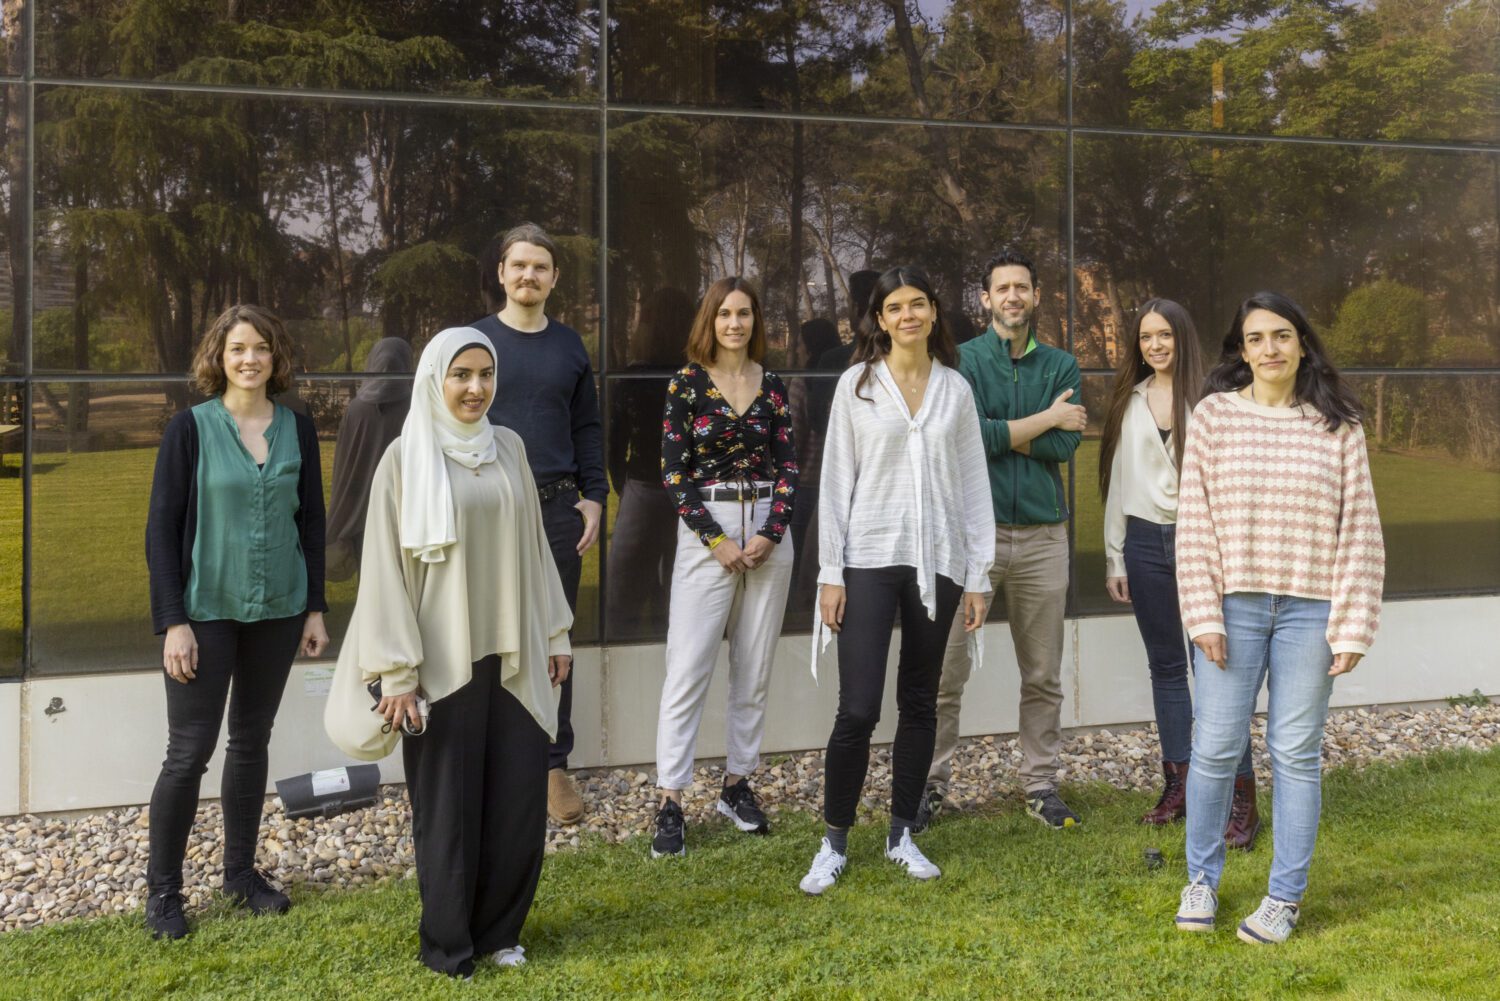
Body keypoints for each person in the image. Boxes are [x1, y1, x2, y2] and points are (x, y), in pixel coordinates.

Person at [328, 328, 574, 978]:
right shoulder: (404, 460)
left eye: (485, 375)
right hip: (440, 668)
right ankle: (448, 944)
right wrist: (398, 673)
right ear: (435, 378)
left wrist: (554, 632)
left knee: (517, 802)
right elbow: (384, 574)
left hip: (515, 654)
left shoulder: (511, 448)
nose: (474, 388)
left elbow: (535, 549)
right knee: (448, 812)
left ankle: (501, 931)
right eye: (460, 374)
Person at [1172, 292, 1383, 945]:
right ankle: (1201, 879)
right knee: (1213, 746)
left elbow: (1361, 529)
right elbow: (1194, 524)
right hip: (1231, 606)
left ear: (1301, 344)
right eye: (1256, 337)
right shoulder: (1213, 417)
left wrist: (1352, 621)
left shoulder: (1338, 423)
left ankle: (1284, 897)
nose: (1270, 348)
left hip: (1310, 610)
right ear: (1240, 349)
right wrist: (1202, 613)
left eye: (1282, 335)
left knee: (1295, 752)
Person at [800, 267, 991, 895]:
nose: (907, 315)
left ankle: (902, 832)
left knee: (920, 701)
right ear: (878, 320)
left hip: (938, 561)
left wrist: (980, 573)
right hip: (869, 558)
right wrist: (831, 572)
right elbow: (834, 485)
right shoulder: (856, 387)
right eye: (894, 307)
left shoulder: (956, 392)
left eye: (918, 305)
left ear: (934, 313)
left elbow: (972, 487)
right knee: (856, 708)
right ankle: (833, 842)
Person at [144, 304, 329, 940]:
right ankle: (164, 894)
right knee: (188, 753)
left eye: (261, 349)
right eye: (237, 349)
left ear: (276, 358)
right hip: (204, 612)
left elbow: (312, 522)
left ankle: (240, 875)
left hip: (278, 609)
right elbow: (161, 532)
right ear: (218, 359)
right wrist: (173, 620)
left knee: (251, 741)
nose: (250, 359)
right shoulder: (189, 429)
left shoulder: (298, 429)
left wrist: (315, 608)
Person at [916, 248, 1086, 833]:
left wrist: (998, 433)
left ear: (1036, 297)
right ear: (984, 299)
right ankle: (928, 785)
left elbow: (1065, 449)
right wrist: (1043, 421)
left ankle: (1041, 784)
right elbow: (964, 438)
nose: (1012, 296)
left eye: (1022, 287)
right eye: (1001, 288)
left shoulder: (1061, 366)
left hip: (1043, 538)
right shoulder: (960, 363)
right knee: (945, 673)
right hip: (970, 541)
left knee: (1042, 674)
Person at [1099, 300, 1259, 839]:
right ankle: (1179, 787)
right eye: (1145, 337)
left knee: (1215, 669)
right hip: (1145, 543)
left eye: (1164, 335)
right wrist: (1115, 555)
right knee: (1166, 668)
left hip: (1203, 542)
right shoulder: (1132, 400)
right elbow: (1118, 482)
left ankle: (1240, 796)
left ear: (1183, 337)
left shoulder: (1215, 401)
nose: (1155, 346)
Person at [651, 277, 798, 857]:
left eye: (744, 314)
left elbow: (789, 464)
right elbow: (673, 471)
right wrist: (715, 540)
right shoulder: (686, 384)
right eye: (724, 314)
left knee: (754, 665)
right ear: (709, 321)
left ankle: (737, 785)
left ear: (755, 320)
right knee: (688, 668)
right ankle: (670, 799)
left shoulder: (775, 384)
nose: (734, 323)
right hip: (706, 525)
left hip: (766, 524)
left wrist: (771, 532)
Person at [472, 223, 606, 825]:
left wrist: (595, 496)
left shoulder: (570, 346)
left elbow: (587, 429)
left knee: (554, 635)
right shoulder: (471, 343)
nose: (528, 276)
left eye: (540, 267)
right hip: (485, 508)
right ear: (501, 272)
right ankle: (491, 759)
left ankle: (552, 764)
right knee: (483, 634)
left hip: (556, 509)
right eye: (518, 265)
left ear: (554, 278)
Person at [325, 337, 414, 581]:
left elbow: (344, 465)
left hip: (360, 516)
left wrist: (341, 515)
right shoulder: (415, 407)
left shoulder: (356, 408)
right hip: (404, 513)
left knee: (370, 586)